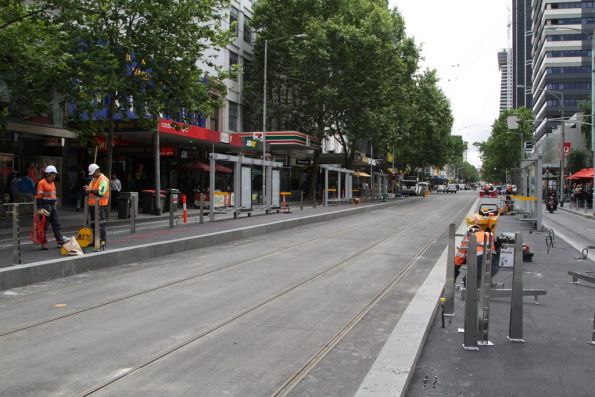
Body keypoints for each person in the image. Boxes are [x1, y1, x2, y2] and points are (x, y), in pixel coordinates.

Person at [35, 165, 68, 250]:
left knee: (56, 224)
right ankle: (43, 242)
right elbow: (39, 197)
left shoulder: (52, 182)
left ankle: (60, 241)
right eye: (54, 174)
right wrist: (40, 209)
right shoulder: (42, 183)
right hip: (44, 206)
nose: (55, 175)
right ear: (49, 174)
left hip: (52, 206)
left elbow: (53, 195)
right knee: (44, 224)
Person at [85, 163, 110, 249]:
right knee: (94, 224)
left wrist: (90, 190)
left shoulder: (103, 179)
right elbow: (91, 189)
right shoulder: (93, 179)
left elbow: (101, 192)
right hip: (92, 204)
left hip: (100, 205)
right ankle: (95, 240)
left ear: (97, 171)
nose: (92, 175)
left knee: (100, 223)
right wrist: (88, 189)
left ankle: (102, 240)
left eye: (93, 173)